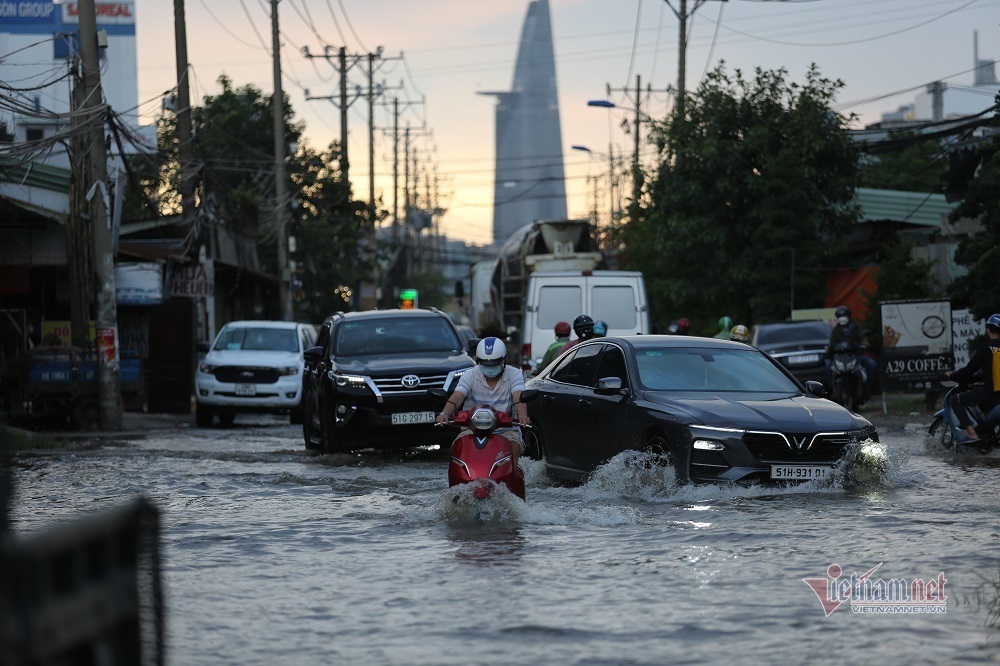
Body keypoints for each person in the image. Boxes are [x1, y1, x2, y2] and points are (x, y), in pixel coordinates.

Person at [437, 337, 530, 467]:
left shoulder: (514, 374)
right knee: (459, 449)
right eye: (485, 364)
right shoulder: (470, 375)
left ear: (504, 360)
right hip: (473, 429)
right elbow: (457, 397)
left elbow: (518, 396)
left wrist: (522, 415)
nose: (490, 368)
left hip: (506, 430)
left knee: (513, 447)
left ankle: (512, 478)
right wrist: (445, 413)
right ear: (478, 362)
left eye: (495, 363)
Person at [945, 314, 1000, 443]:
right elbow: (987, 373)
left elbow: (969, 370)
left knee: (956, 400)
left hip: (992, 393)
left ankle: (971, 434)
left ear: (988, 331)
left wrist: (953, 375)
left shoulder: (985, 347)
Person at [825, 305, 877, 401]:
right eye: (840, 316)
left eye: (844, 315)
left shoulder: (856, 327)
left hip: (856, 355)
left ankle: (866, 389)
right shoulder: (835, 330)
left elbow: (863, 338)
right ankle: (832, 389)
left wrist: (865, 343)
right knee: (828, 365)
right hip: (840, 357)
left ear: (849, 316)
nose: (842, 318)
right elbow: (831, 344)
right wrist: (829, 350)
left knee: (872, 364)